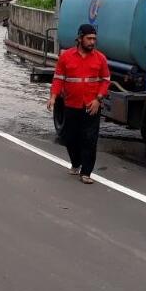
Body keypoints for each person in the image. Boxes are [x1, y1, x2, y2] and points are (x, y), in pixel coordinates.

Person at [47, 23, 110, 184]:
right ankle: (76, 163)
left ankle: (86, 172)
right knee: (70, 138)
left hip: (91, 105)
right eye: (89, 38)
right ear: (80, 38)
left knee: (90, 139)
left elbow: (105, 80)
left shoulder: (100, 58)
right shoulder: (66, 57)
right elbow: (58, 79)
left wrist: (98, 99)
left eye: (94, 39)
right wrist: (53, 97)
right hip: (71, 105)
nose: (92, 42)